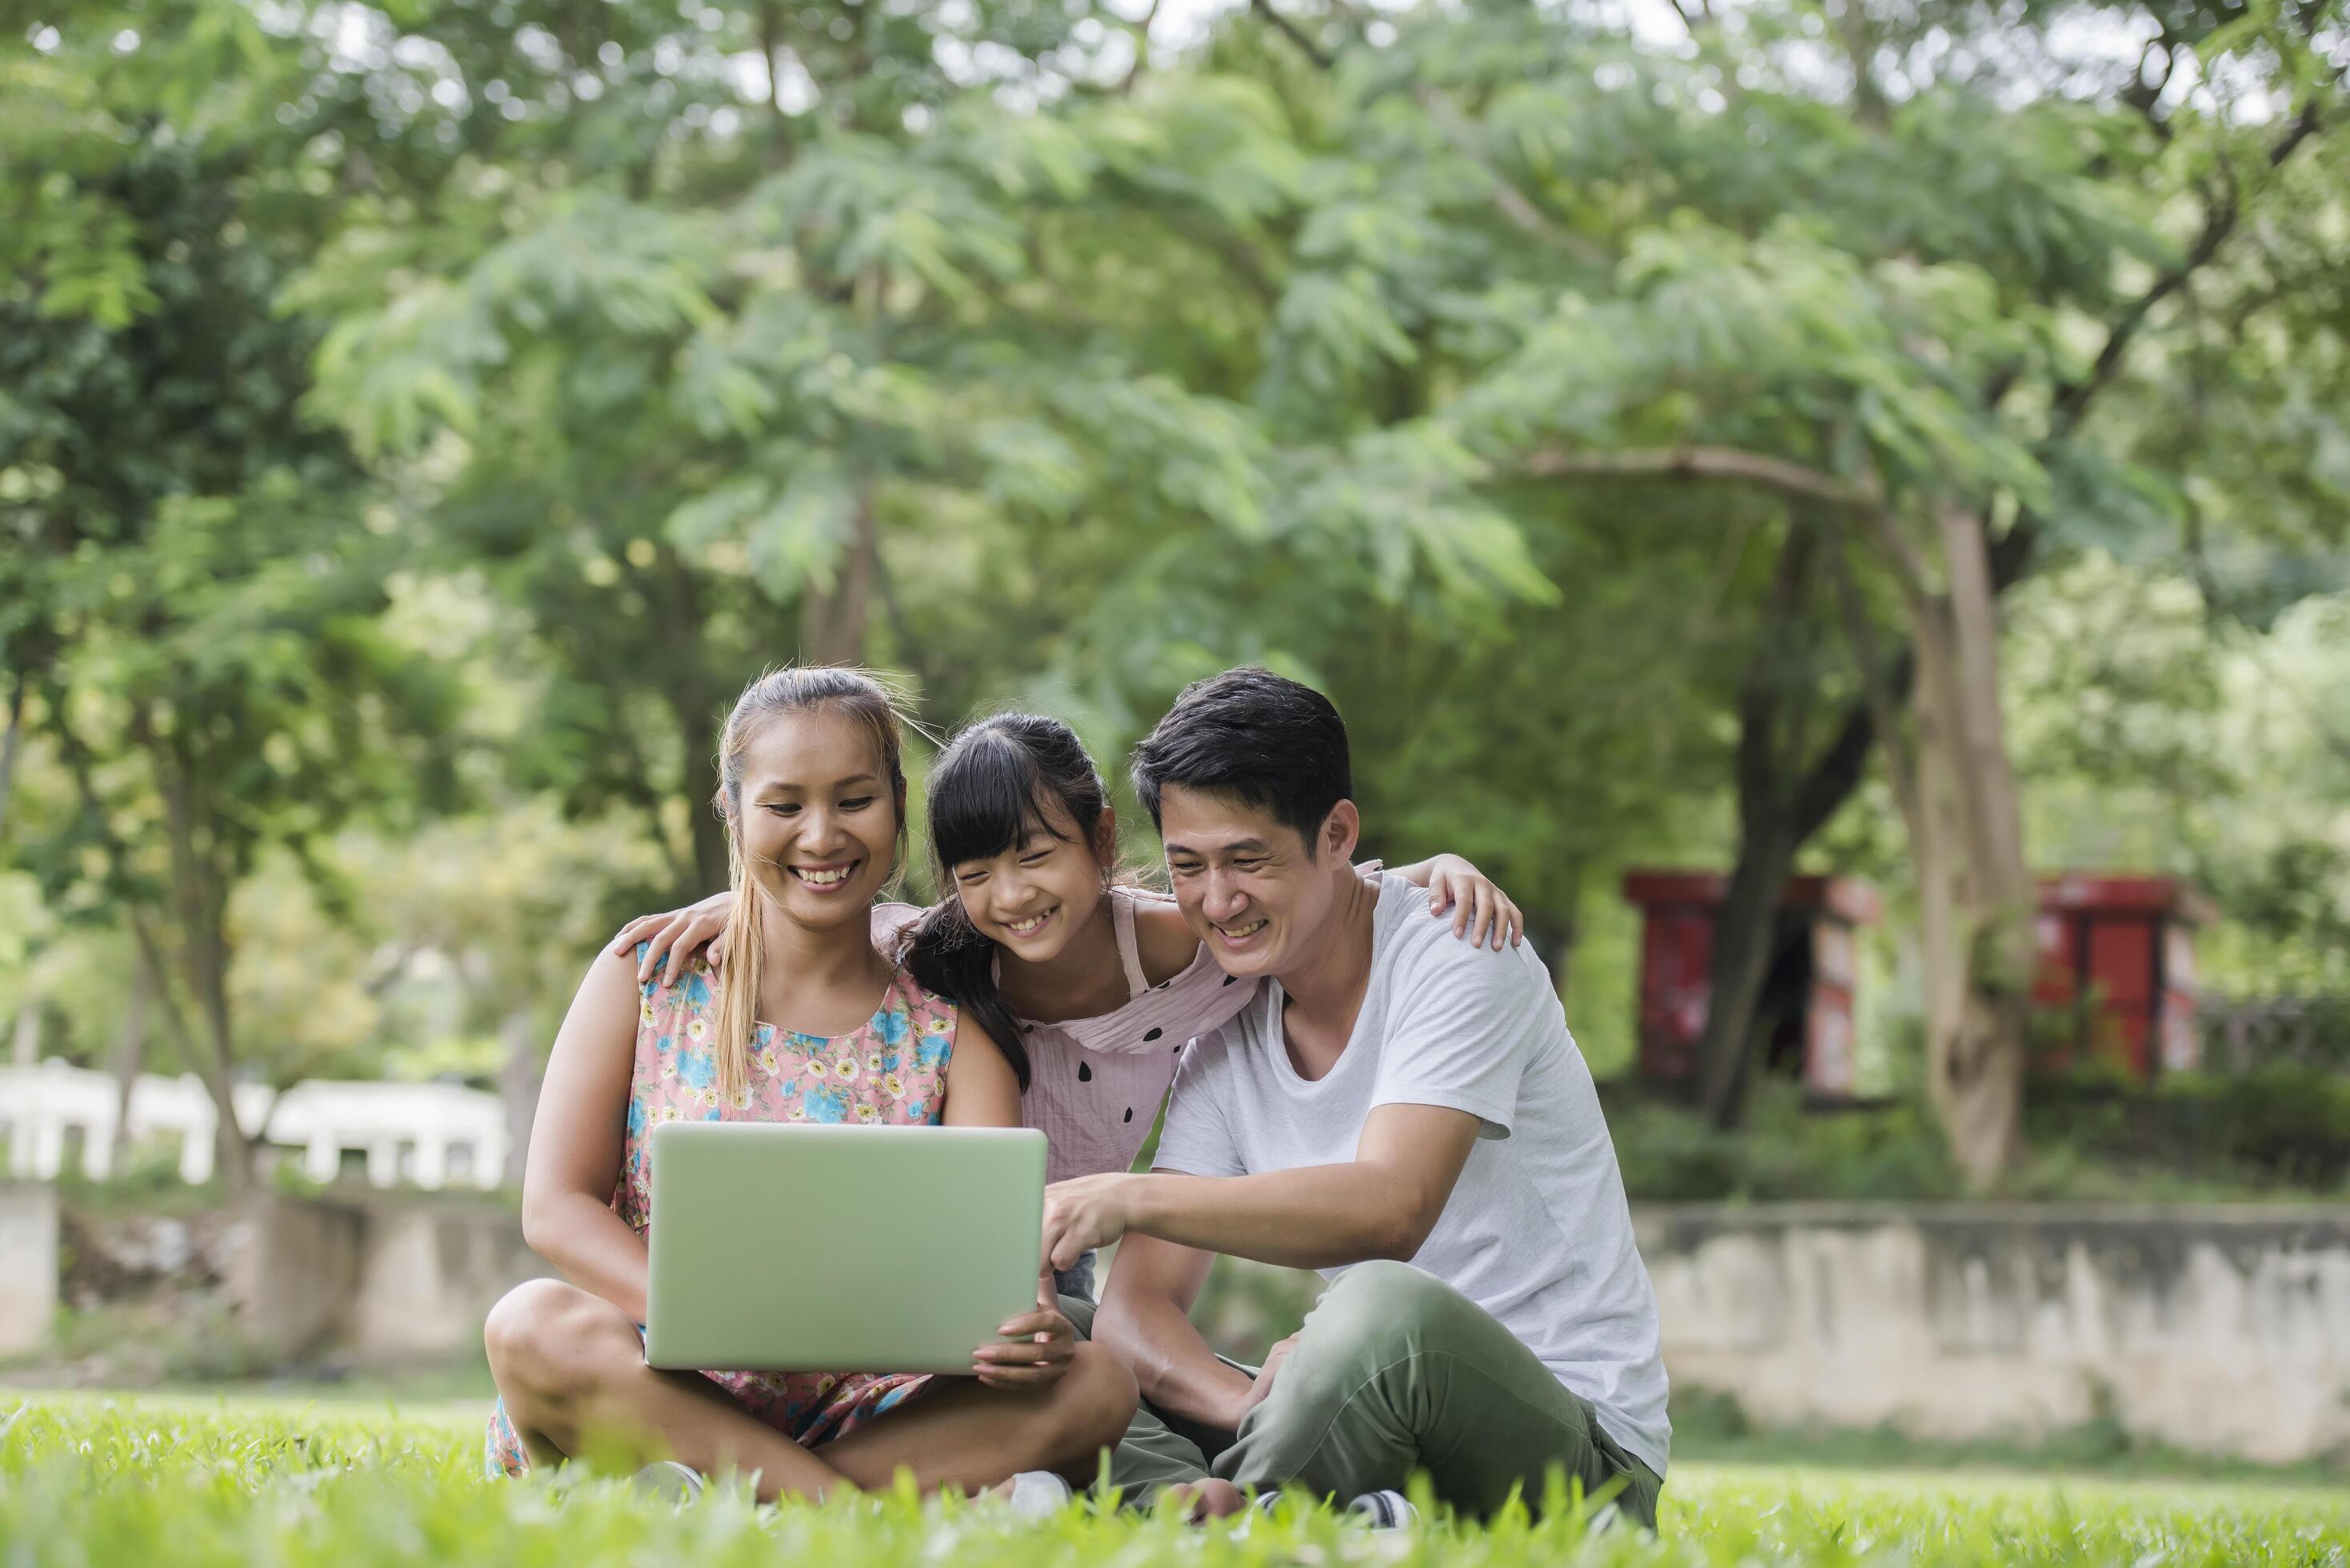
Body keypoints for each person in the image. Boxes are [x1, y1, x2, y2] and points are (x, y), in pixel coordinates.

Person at [614, 709, 1527, 1508]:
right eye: (975, 873)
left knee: (1095, 1360)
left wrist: (1426, 872)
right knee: (1088, 1351)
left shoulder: (1198, 948)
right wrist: (729, 905)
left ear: (1099, 839)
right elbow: (821, 904)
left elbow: (1293, 890)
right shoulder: (939, 959)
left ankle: (1153, 1489)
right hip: (948, 1281)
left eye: (1036, 855)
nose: (1010, 897)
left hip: (1061, 1268)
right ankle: (1122, 1491)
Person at [479, 667, 1136, 1504]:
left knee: (1096, 1385)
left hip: (873, 1407)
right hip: (666, 1379)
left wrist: (1029, 1328)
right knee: (530, 1325)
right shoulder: (644, 980)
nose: (821, 836)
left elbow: (1001, 1267)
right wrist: (710, 1319)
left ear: (900, 805)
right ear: (734, 813)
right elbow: (555, 1206)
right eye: (785, 806)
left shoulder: (953, 1031)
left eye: (854, 800)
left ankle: (730, 1498)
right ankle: (845, 1514)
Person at [1039, 668, 1670, 1526]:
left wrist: (1129, 1195)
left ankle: (1230, 1519)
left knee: (1379, 1308)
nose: (1217, 902)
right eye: (1189, 866)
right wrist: (1245, 1400)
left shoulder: (1460, 952)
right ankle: (1249, 1507)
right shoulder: (1227, 1021)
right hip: (1355, 1412)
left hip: (1576, 1450)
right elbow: (1137, 1310)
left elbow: (1392, 1208)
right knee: (1062, 1332)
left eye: (1247, 860)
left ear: (1336, 833)